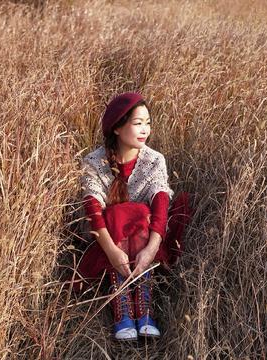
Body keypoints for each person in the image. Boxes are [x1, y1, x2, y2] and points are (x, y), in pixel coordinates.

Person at [76, 92, 193, 341]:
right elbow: (92, 209)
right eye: (138, 123)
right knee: (117, 212)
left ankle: (144, 301)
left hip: (148, 237)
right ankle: (123, 304)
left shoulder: (154, 160)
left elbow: (161, 206)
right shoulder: (94, 162)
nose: (145, 130)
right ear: (117, 127)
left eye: (148, 123)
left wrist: (151, 250)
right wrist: (112, 251)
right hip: (106, 239)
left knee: (141, 211)